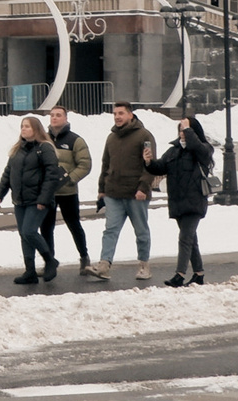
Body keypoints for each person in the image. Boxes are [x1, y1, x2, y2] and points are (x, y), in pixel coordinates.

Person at [0, 113, 63, 286]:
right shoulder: (18, 149)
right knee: (24, 235)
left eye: (27, 126)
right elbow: (8, 173)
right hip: (20, 200)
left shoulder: (44, 148)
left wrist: (44, 199)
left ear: (36, 129)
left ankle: (50, 260)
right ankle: (29, 271)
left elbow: (51, 175)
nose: (23, 129)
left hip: (37, 200)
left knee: (30, 231)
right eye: (22, 126)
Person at [148, 110, 215, 286]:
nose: (182, 132)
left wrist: (189, 130)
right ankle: (199, 274)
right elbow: (160, 168)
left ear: (193, 131)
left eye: (185, 129)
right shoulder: (173, 151)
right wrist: (148, 162)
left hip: (195, 201)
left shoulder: (203, 150)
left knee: (185, 238)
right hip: (177, 202)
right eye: (180, 129)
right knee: (191, 240)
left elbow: (199, 148)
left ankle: (179, 274)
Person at [98, 100, 159, 282]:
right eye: (115, 114)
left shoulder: (144, 136)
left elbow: (150, 165)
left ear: (130, 115)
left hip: (136, 194)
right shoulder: (111, 138)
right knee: (110, 230)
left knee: (141, 231)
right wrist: (102, 189)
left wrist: (143, 187)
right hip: (114, 193)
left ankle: (143, 264)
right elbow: (105, 164)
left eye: (121, 113)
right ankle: (104, 264)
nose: (117, 117)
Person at [44, 104, 97, 279]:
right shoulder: (43, 140)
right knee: (46, 227)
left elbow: (85, 164)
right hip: (48, 193)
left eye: (58, 115)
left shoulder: (76, 140)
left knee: (74, 225)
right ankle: (49, 262)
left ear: (66, 118)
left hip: (68, 192)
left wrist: (70, 178)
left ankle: (84, 257)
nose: (54, 118)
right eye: (52, 115)